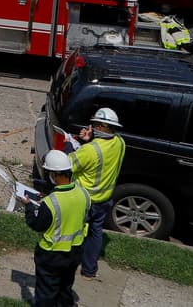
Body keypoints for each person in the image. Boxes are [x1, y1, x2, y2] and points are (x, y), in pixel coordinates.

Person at [26, 150, 91, 307]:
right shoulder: (84, 193)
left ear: (54, 175)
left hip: (51, 256)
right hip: (75, 252)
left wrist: (29, 207)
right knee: (65, 287)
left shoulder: (50, 203)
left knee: (46, 293)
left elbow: (37, 225)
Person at [69, 107, 125, 281]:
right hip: (105, 198)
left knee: (71, 234)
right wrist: (89, 140)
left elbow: (68, 165)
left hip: (85, 201)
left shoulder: (90, 150)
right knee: (96, 233)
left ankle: (65, 267)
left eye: (94, 124)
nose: (91, 127)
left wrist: (73, 144)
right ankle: (89, 271)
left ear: (100, 126)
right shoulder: (120, 142)